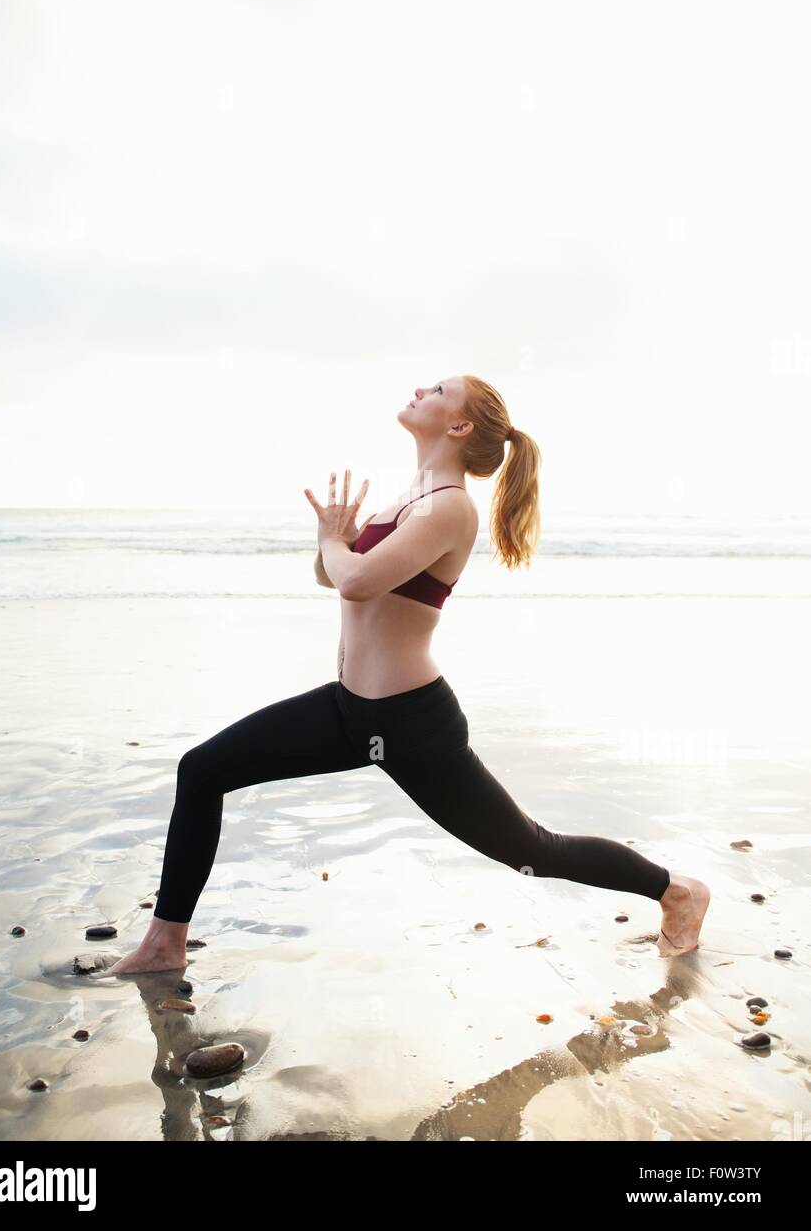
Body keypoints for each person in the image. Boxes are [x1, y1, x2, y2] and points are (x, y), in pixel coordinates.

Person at [103, 375, 709, 976]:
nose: (420, 388)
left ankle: (675, 890)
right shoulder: (407, 498)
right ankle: (164, 944)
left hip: (410, 722)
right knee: (203, 769)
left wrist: (334, 545)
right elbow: (333, 575)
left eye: (439, 391)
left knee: (530, 849)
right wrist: (332, 541)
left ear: (460, 425)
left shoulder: (450, 506)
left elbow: (357, 580)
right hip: (347, 709)